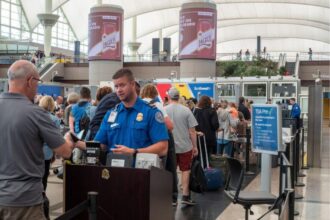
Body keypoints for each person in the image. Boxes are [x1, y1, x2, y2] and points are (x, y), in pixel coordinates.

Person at [0, 60, 84, 219]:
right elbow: (65, 151)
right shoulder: (36, 114)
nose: (37, 86)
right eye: (38, 82)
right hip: (24, 201)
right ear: (29, 81)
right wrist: (68, 138)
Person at [93, 68, 169, 157]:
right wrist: (77, 143)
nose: (119, 90)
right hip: (113, 169)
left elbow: (163, 148)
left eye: (122, 85)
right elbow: (101, 145)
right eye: (116, 86)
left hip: (140, 169)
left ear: (132, 84)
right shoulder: (111, 114)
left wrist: (134, 152)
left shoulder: (150, 112)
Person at [165, 87, 198, 205]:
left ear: (168, 97)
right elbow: (192, 131)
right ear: (178, 97)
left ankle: (172, 198)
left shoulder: (163, 110)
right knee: (185, 170)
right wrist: (195, 146)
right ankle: (185, 196)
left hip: (169, 147)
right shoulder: (186, 110)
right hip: (185, 146)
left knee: (170, 171)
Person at [193, 96, 219, 160]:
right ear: (209, 102)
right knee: (208, 157)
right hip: (209, 138)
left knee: (199, 157)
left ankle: (199, 169)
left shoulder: (196, 111)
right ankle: (207, 169)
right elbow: (215, 125)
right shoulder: (212, 111)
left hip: (198, 137)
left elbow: (193, 124)